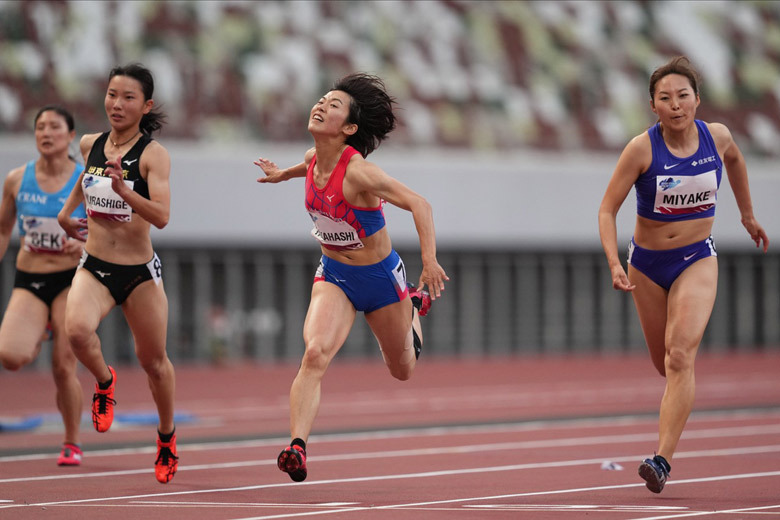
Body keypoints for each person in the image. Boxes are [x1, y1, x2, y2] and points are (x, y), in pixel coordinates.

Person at [255, 73, 449, 482]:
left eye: (334, 105)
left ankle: (413, 306)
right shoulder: (312, 159)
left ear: (349, 129)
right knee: (314, 354)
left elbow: (420, 204)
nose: (321, 105)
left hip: (381, 280)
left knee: (402, 369)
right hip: (335, 276)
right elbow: (304, 166)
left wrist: (429, 261)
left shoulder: (360, 173)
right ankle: (297, 447)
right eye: (322, 98)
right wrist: (280, 175)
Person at [598, 56, 768, 494]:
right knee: (664, 364)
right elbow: (606, 209)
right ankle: (674, 407)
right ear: (653, 106)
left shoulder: (719, 137)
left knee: (679, 356)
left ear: (697, 99)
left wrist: (747, 215)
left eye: (683, 96)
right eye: (665, 98)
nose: (676, 105)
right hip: (647, 266)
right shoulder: (641, 149)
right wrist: (615, 262)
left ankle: (661, 460)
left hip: (697, 258)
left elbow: (735, 161)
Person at [57, 63, 178, 484]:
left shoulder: (153, 155)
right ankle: (105, 382)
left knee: (155, 364)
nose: (117, 104)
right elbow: (84, 179)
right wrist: (65, 213)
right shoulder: (91, 142)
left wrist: (126, 191)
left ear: (145, 106)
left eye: (128, 98)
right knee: (75, 332)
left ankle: (166, 437)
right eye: (112, 94)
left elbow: (162, 216)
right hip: (94, 265)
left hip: (139, 274)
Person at [0, 105, 87, 466]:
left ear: (70, 136)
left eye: (54, 127)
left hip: (71, 279)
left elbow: (113, 230)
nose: (46, 133)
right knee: (10, 356)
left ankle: (71, 441)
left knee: (63, 365)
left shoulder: (86, 180)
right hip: (31, 276)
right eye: (39, 127)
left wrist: (84, 244)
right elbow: (4, 228)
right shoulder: (17, 179)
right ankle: (42, 326)